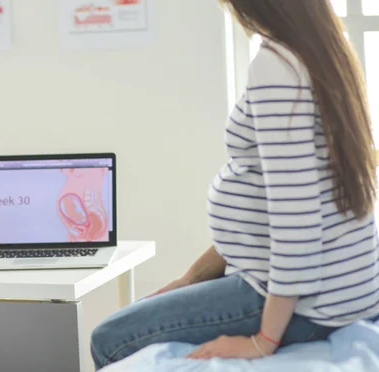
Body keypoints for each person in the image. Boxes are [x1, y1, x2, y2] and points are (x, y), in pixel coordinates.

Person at [90, 0, 379, 369]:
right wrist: (190, 278)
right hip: (332, 290)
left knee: (110, 339)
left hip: (310, 304)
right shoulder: (321, 49)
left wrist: (263, 341)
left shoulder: (278, 65)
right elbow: (279, 207)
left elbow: (297, 222)